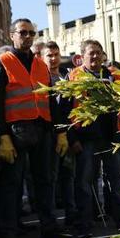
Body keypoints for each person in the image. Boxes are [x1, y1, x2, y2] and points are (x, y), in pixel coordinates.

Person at [0, 19, 72, 238]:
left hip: (42, 129)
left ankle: (49, 228)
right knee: (11, 184)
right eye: (23, 32)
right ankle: (8, 235)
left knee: (45, 180)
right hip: (16, 131)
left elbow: (50, 101)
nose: (27, 36)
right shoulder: (2, 63)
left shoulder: (40, 65)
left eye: (31, 33)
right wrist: (2, 135)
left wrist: (60, 131)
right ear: (11, 34)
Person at [68, 39, 120, 231]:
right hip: (86, 138)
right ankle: (85, 223)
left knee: (117, 181)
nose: (95, 56)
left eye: (98, 52)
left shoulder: (115, 76)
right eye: (91, 53)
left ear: (103, 55)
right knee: (85, 182)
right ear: (82, 56)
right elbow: (66, 110)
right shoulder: (74, 78)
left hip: (112, 137)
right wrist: (73, 138)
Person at [41, 41, 77, 226]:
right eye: (49, 55)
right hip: (49, 136)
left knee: (68, 175)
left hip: (68, 134)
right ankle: (51, 220)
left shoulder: (66, 77)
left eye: (56, 54)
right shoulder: (39, 79)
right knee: (50, 178)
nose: (54, 59)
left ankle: (72, 214)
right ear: (42, 57)